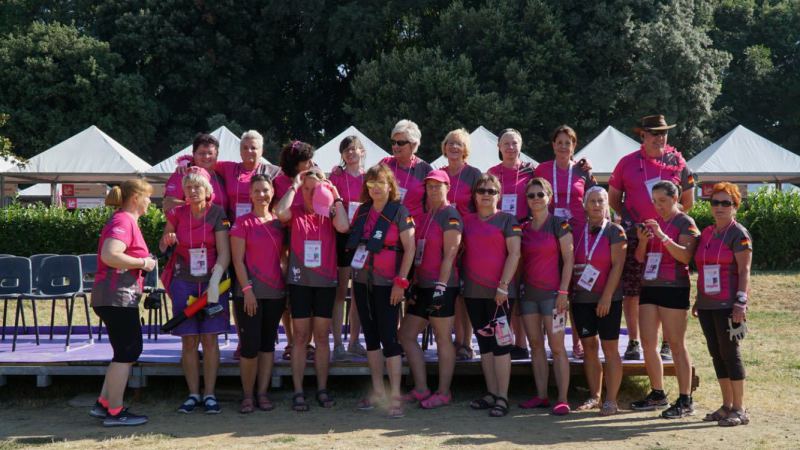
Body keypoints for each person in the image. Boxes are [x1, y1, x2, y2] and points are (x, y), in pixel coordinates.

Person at [608, 115, 695, 362]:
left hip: (668, 236)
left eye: (663, 133)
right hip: (637, 235)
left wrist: (668, 222)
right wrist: (633, 220)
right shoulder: (626, 162)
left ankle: (667, 343)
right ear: (643, 135)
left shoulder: (679, 163)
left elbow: (688, 201)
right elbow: (613, 199)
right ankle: (634, 341)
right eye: (655, 133)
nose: (660, 138)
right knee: (633, 290)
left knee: (668, 286)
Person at [275, 165, 350, 412]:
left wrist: (334, 194)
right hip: (300, 282)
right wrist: (295, 185)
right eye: (306, 189)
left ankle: (322, 388)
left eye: (314, 189)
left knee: (321, 337)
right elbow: (279, 213)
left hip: (325, 283)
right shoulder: (295, 211)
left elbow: (343, 227)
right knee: (300, 337)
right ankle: (298, 391)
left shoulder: (330, 212)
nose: (309, 193)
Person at [159, 170, 231, 414]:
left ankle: (209, 394)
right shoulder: (177, 213)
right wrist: (167, 239)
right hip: (183, 281)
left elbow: (224, 252)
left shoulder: (217, 213)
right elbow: (163, 244)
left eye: (197, 187)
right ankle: (193, 394)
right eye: (188, 187)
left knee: (210, 339)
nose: (192, 191)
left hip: (212, 283)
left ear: (207, 190)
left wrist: (215, 281)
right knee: (188, 340)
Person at [347, 164, 415, 418]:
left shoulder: (400, 211)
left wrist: (401, 282)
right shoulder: (362, 211)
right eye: (371, 183)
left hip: (388, 284)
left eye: (380, 183)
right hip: (362, 281)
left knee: (389, 338)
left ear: (390, 186)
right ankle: (378, 392)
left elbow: (410, 248)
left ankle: (395, 396)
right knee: (371, 337)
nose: (375, 188)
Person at [89, 180, 158, 427]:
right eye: (148, 197)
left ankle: (104, 404)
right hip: (116, 296)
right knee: (128, 352)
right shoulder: (124, 221)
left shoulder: (124, 220)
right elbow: (110, 254)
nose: (150, 202)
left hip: (114, 296)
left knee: (123, 352)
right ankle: (115, 412)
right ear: (136, 198)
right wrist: (143, 263)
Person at [631, 181, 700, 418]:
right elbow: (640, 258)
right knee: (648, 343)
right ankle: (658, 393)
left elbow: (685, 256)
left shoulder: (685, 222)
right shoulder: (653, 221)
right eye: (654, 201)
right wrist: (642, 241)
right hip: (650, 286)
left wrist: (661, 236)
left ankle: (686, 399)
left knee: (676, 344)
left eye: (662, 201)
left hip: (674, 287)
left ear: (675, 198)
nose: (658, 206)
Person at [398, 170, 462, 409]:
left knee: (443, 338)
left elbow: (451, 254)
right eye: (430, 186)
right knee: (406, 335)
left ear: (448, 187)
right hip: (422, 285)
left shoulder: (451, 214)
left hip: (441, 286)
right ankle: (422, 388)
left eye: (438, 186)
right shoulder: (425, 216)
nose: (433, 190)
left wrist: (441, 287)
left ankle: (444, 392)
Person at [534, 125, 597, 359]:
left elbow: (596, 199)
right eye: (559, 142)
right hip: (549, 235)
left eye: (567, 143)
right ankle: (554, 342)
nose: (563, 147)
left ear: (574, 146)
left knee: (574, 291)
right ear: (553, 145)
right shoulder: (541, 169)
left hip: (577, 234)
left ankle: (577, 342)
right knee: (553, 290)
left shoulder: (582, 171)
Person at [462, 173, 521, 418]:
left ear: (499, 195)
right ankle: (492, 393)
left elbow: (515, 254)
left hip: (500, 294)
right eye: (481, 190)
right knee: (484, 344)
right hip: (473, 292)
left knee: (501, 344)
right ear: (475, 195)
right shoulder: (466, 221)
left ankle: (503, 397)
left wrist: (503, 286)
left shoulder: (508, 220)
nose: (486, 195)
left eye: (491, 191)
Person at [693, 182, 752, 427]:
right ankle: (727, 405)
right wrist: (698, 299)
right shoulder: (707, 233)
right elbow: (703, 268)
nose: (719, 207)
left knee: (730, 354)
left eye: (725, 203)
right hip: (707, 304)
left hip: (728, 304)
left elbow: (745, 270)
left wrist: (741, 302)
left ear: (735, 206)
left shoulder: (739, 234)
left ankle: (740, 409)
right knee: (716, 354)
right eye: (715, 202)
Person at [229, 175, 287, 413]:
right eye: (257, 191)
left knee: (267, 346)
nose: (262, 195)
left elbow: (284, 258)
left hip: (275, 294)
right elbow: (237, 261)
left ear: (272, 192)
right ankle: (247, 395)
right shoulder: (242, 223)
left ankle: (262, 393)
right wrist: (247, 291)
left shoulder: (280, 223)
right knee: (249, 347)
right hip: (249, 295)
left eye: (265, 190)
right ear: (250, 195)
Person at [518, 177, 574, 415]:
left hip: (553, 295)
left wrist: (563, 292)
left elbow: (569, 259)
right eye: (531, 195)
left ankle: (562, 398)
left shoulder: (559, 224)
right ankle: (541, 396)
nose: (536, 199)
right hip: (528, 296)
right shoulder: (523, 227)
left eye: (540, 194)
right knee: (535, 346)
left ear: (549, 197)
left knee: (557, 347)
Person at [572, 186, 627, 416]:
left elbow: (618, 265)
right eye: (592, 201)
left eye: (601, 201)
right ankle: (595, 396)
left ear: (607, 205)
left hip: (608, 299)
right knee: (589, 347)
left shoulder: (615, 230)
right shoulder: (576, 230)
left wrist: (606, 297)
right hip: (581, 298)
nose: (596, 205)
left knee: (610, 348)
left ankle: (611, 400)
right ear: (584, 205)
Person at [488, 128, 535, 360]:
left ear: (521, 145)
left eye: (514, 143)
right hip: (499, 236)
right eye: (506, 143)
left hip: (525, 234)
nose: (510, 147)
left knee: (521, 291)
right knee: (505, 289)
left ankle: (521, 343)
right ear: (498, 147)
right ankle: (503, 341)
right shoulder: (491, 173)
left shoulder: (530, 171)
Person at [438, 128, 482, 361]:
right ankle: (454, 340)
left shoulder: (474, 174)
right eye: (450, 143)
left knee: (466, 292)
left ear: (465, 149)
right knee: (452, 291)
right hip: (443, 238)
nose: (454, 147)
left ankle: (466, 343)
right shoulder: (439, 174)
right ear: (444, 147)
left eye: (459, 144)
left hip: (469, 238)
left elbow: (482, 205)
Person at [328, 136, 367, 360]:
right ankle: (337, 344)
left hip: (363, 239)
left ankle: (354, 341)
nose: (350, 153)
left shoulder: (370, 177)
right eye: (346, 150)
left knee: (359, 293)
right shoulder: (335, 176)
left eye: (353, 149)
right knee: (341, 292)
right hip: (342, 238)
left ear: (362, 151)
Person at [380, 119, 433, 221]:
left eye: (400, 143)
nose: (395, 146)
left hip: (414, 225)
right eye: (393, 142)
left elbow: (431, 205)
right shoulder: (385, 164)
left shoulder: (425, 170)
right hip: (386, 223)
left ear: (413, 144)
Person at [164, 133, 228, 213]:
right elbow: (168, 204)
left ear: (217, 155)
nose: (206, 156)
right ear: (194, 154)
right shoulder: (182, 173)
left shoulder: (221, 175)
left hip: (223, 220)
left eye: (210, 153)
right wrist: (198, 206)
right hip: (189, 221)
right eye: (201, 153)